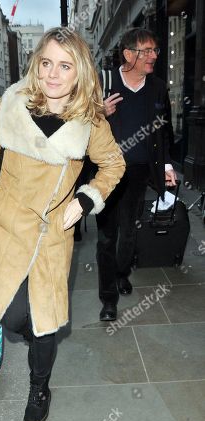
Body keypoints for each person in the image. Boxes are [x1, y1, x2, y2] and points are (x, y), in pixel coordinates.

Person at [0, 27, 125, 421]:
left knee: (44, 321)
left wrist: (85, 200)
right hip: (6, 225)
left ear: (79, 72)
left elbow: (114, 164)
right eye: (46, 63)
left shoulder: (89, 121)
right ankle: (31, 338)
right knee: (13, 317)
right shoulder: (10, 104)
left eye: (64, 66)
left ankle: (39, 386)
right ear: (37, 64)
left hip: (52, 233)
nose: (52, 74)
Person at [96, 28, 177, 321]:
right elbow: (76, 121)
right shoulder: (104, 82)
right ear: (128, 54)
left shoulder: (157, 87)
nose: (154, 56)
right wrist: (97, 112)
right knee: (107, 237)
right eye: (147, 51)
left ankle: (121, 272)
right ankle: (108, 298)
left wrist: (167, 166)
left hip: (140, 172)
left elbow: (163, 131)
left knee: (129, 232)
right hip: (106, 173)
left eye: (155, 50)